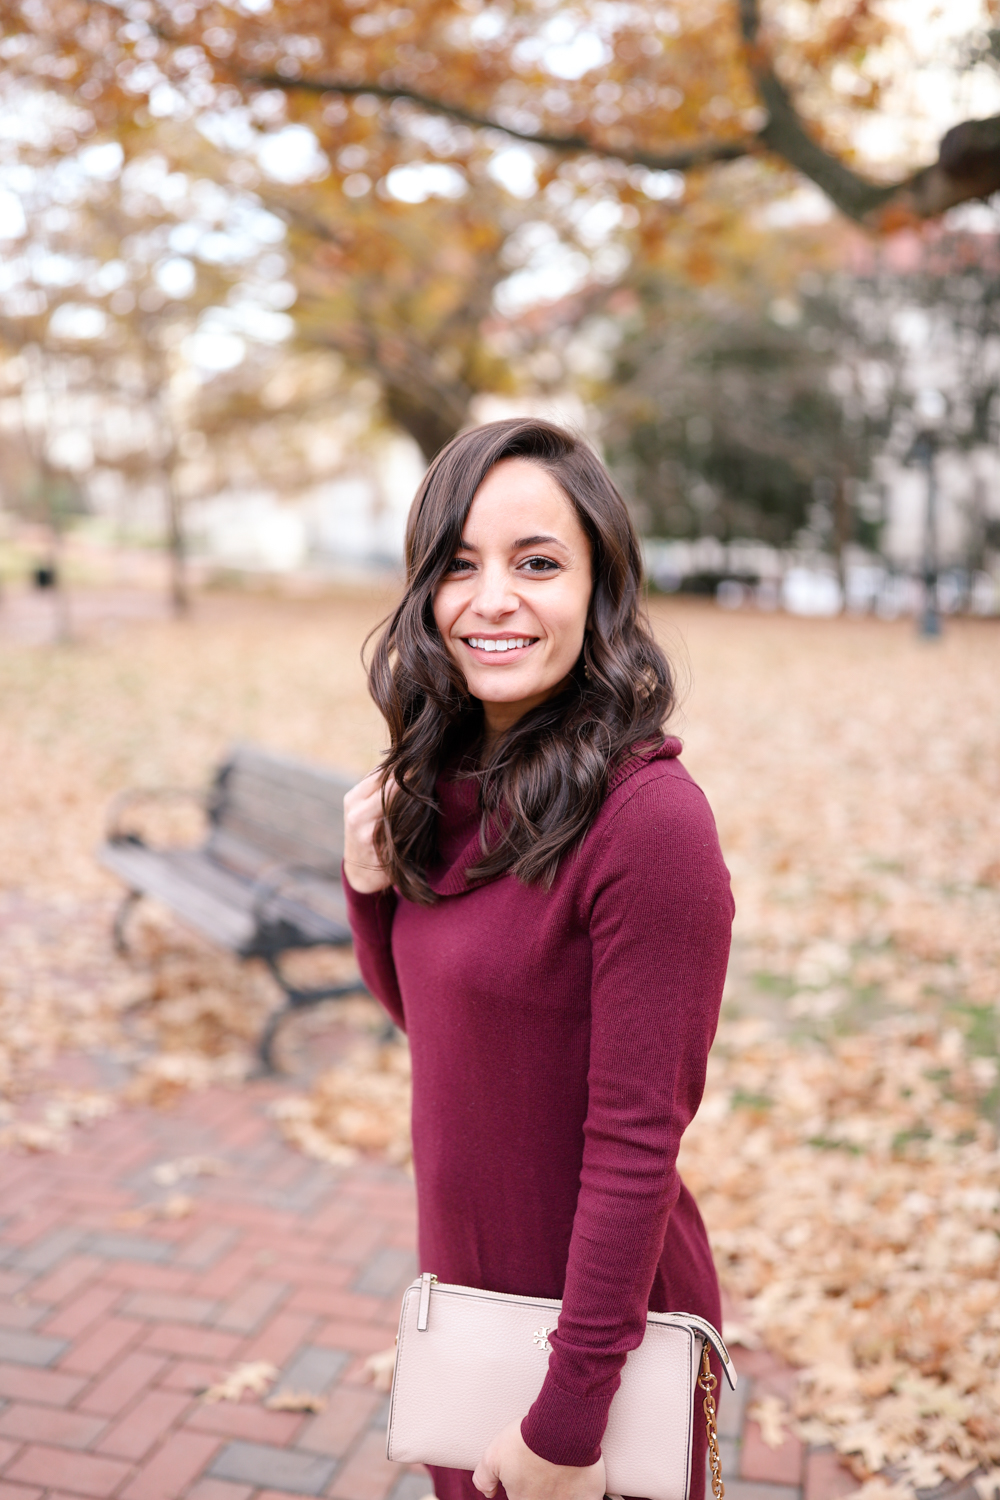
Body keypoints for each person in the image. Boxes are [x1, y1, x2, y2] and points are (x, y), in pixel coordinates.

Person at [343, 419, 733, 1500]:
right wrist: (370, 889)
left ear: (600, 591)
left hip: (590, 1341)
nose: (492, 598)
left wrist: (568, 1420)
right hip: (468, 1299)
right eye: (458, 564)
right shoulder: (454, 778)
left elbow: (633, 1143)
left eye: (537, 562)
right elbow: (449, 1033)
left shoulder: (650, 824)